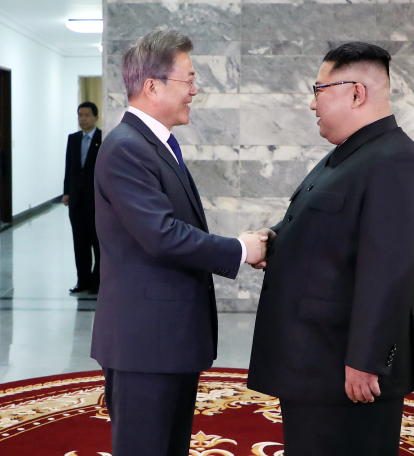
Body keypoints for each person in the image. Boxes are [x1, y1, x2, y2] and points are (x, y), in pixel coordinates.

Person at [247, 42, 414, 456]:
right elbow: (327, 233)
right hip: (318, 359)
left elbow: (392, 269)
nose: (312, 104)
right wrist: (272, 241)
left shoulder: (394, 161)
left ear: (356, 92)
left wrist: (367, 359)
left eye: (319, 89)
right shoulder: (351, 154)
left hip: (349, 372)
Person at [90, 30, 267, 456]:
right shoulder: (126, 148)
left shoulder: (155, 144)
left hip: (166, 338)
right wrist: (240, 249)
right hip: (144, 342)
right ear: (153, 86)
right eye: (188, 80)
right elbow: (162, 234)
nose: (195, 90)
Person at [63, 101, 102, 294]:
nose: (83, 118)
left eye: (86, 115)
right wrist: (67, 192)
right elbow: (69, 168)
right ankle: (83, 280)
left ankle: (97, 281)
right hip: (76, 201)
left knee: (98, 242)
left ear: (96, 117)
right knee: (80, 243)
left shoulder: (103, 138)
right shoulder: (73, 139)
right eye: (80, 115)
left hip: (96, 201)